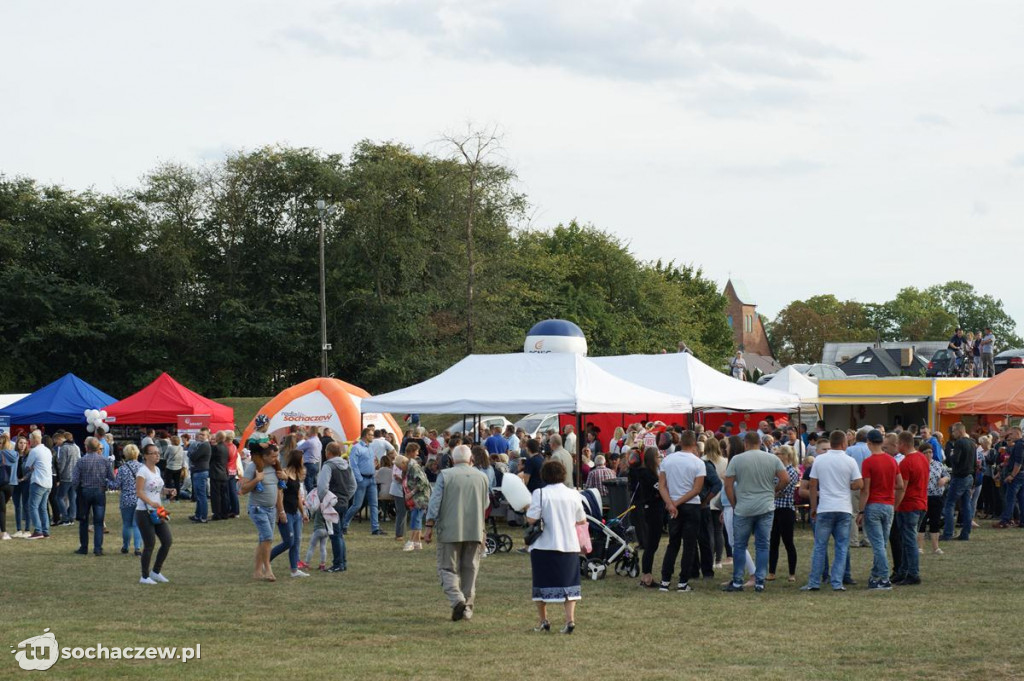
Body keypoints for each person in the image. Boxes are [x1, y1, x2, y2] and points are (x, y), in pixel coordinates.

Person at [424, 444, 490, 622]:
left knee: (447, 568)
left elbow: (435, 502)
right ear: (471, 459)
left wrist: (429, 526)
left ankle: (457, 599)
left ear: (452, 460)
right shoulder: (482, 477)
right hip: (475, 530)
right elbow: (485, 503)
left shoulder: (445, 475)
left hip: (450, 530)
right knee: (470, 570)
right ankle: (467, 609)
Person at [523, 459, 586, 634]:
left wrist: (527, 508)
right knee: (570, 586)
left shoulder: (540, 493)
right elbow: (581, 520)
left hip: (544, 545)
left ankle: (544, 620)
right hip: (569, 544)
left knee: (541, 585)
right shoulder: (574, 494)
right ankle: (570, 620)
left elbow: (531, 519)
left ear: (544, 475)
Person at [723, 431, 788, 592]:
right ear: (760, 442)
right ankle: (759, 581)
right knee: (762, 545)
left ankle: (738, 581)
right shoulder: (772, 458)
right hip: (765, 506)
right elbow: (785, 479)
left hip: (743, 507)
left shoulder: (737, 460)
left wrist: (733, 503)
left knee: (739, 545)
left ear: (745, 443)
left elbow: (728, 485)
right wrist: (773, 491)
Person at [801, 431, 863, 592]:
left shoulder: (820, 460)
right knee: (842, 546)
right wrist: (848, 486)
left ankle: (814, 582)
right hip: (843, 508)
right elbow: (859, 483)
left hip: (825, 507)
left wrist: (814, 507)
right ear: (844, 443)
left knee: (820, 546)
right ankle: (837, 582)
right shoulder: (850, 461)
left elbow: (813, 484)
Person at [657, 430, 705, 592]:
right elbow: (697, 489)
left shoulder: (668, 460)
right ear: (694, 444)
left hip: (673, 505)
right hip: (691, 505)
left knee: (673, 543)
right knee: (689, 545)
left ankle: (665, 580)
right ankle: (683, 582)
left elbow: (661, 486)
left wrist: (671, 503)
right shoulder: (698, 463)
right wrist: (676, 503)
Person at [857, 429, 904, 590]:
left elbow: (866, 489)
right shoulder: (892, 461)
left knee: (878, 544)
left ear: (869, 443)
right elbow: (900, 485)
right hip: (888, 505)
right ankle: (876, 575)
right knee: (882, 543)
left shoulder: (868, 462)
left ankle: (883, 578)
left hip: (873, 505)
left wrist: (861, 511)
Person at [240, 443, 284, 581]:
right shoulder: (253, 467)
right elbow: (243, 489)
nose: (275, 459)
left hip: (271, 510)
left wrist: (280, 510)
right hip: (258, 508)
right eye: (272, 456)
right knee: (268, 538)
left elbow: (278, 490)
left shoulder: (275, 467)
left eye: (277, 456)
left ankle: (257, 571)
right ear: (264, 456)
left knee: (263, 540)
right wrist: (257, 479)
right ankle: (268, 569)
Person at [893, 432, 929, 585]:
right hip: (921, 503)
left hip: (908, 505)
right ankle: (903, 571)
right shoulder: (922, 458)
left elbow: (902, 488)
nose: (896, 447)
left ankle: (913, 573)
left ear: (903, 443)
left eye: (897, 444)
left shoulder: (906, 463)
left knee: (908, 541)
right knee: (908, 539)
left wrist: (895, 506)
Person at [135, 444, 174, 584]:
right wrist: (151, 503)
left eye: (158, 453)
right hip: (144, 511)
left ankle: (156, 571)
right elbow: (139, 492)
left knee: (167, 540)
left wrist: (168, 491)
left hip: (158, 510)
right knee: (149, 543)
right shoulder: (142, 471)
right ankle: (144, 576)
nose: (157, 455)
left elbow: (157, 489)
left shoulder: (157, 469)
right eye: (153, 453)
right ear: (145, 456)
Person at [72, 436, 115, 555]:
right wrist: (106, 484)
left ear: (87, 448)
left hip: (85, 491)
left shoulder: (81, 461)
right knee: (99, 521)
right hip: (99, 491)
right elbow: (112, 478)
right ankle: (98, 548)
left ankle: (84, 547)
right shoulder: (105, 460)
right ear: (98, 448)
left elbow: (75, 479)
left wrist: (77, 489)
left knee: (84, 520)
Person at [270, 446, 308, 578]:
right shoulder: (283, 473)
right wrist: (281, 512)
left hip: (295, 514)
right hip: (286, 513)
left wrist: (303, 513)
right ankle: (265, 561)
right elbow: (279, 495)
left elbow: (298, 496)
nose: (304, 461)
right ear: (297, 460)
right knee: (289, 542)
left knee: (296, 542)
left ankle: (294, 570)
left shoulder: (296, 475)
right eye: (302, 459)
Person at [318, 441, 356, 572]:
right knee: (339, 534)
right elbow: (353, 486)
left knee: (334, 534)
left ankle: (338, 563)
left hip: (331, 503)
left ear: (328, 453)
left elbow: (322, 487)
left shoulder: (328, 466)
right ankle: (343, 562)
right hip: (343, 502)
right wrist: (346, 497)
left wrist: (322, 500)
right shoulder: (347, 465)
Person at [342, 427, 384, 536]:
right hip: (362, 479)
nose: (373, 437)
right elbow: (353, 465)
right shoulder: (357, 448)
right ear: (365, 436)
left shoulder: (370, 447)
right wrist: (359, 478)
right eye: (371, 435)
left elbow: (369, 462)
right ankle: (343, 525)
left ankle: (375, 529)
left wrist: (374, 467)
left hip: (371, 479)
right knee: (357, 505)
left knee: (374, 504)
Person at [768, 445, 800, 583]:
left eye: (779, 453)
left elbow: (783, 489)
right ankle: (771, 571)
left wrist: (773, 492)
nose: (776, 455)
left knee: (788, 542)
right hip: (774, 508)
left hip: (786, 509)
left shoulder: (792, 471)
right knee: (773, 541)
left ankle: (792, 573)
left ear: (786, 456)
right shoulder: (775, 470)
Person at [941, 422, 977, 541]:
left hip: (959, 477)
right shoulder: (972, 443)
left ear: (959, 431)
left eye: (953, 431)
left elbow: (953, 461)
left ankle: (948, 533)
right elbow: (975, 462)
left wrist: (950, 455)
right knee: (966, 506)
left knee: (949, 504)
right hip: (969, 477)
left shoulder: (959, 443)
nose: (952, 434)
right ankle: (965, 534)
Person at [398, 446, 432, 551]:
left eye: (399, 467)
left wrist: (411, 493)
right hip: (416, 498)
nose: (399, 469)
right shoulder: (410, 467)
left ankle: (411, 542)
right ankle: (417, 543)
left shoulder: (414, 467)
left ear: (403, 464)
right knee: (415, 518)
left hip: (420, 498)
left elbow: (423, 482)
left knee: (415, 519)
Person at [919, 448, 950, 555]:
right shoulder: (919, 464)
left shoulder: (938, 464)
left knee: (935, 522)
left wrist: (944, 479)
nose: (928, 454)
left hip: (937, 497)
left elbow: (947, 475)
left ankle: (936, 547)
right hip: (923, 496)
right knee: (921, 522)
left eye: (930, 452)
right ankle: (920, 547)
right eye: (925, 452)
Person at [115, 444, 144, 556]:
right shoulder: (142, 467)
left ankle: (125, 546)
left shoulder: (122, 469)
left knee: (127, 524)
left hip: (126, 499)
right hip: (139, 499)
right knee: (137, 524)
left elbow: (116, 484)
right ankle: (137, 548)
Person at [25, 430, 53, 539]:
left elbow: (27, 466)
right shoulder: (47, 450)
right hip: (48, 482)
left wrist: (32, 467)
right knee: (43, 508)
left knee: (33, 506)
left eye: (30, 439)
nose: (29, 441)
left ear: (35, 440)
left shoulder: (34, 451)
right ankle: (45, 530)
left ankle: (38, 530)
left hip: (38, 481)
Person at [993, 427, 1024, 529]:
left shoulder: (1019, 445)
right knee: (1021, 499)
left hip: (1017, 475)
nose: (1009, 437)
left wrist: (1012, 475)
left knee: (1009, 499)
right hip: (1022, 475)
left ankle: (1005, 521)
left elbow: (1018, 462)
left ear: (1016, 433)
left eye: (1010, 434)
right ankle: (1022, 521)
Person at [188, 428, 211, 523]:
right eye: (200, 434)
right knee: (199, 495)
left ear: (207, 437)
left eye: (203, 435)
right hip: (198, 471)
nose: (200, 436)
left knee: (202, 496)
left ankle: (203, 517)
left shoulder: (204, 445)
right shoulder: (201, 445)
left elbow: (193, 456)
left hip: (201, 471)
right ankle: (198, 515)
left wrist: (192, 453)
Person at [209, 430, 230, 521]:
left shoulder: (216, 448)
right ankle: (225, 513)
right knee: (224, 495)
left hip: (216, 473)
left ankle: (217, 514)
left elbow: (210, 459)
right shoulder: (225, 447)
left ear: (218, 438)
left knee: (216, 495)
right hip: (223, 473)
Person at [297, 426, 322, 495]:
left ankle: (311, 501)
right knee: (314, 484)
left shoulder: (309, 442)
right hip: (316, 464)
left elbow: (297, 449)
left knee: (308, 485)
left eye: (308, 431)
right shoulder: (318, 441)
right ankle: (315, 500)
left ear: (311, 432)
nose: (307, 432)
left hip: (309, 464)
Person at [163, 435, 185, 500]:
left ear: (172, 441)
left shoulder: (170, 447)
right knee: (177, 483)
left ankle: (168, 497)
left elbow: (165, 456)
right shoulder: (181, 448)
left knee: (168, 483)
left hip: (170, 467)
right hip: (178, 468)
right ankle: (177, 497)